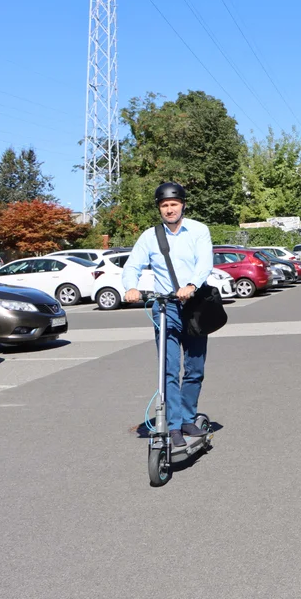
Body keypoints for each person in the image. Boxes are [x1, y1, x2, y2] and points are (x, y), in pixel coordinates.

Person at [123, 182, 213, 448]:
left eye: (174, 204)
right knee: (169, 369)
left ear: (183, 204)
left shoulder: (198, 230)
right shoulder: (150, 237)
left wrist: (192, 285)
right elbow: (132, 265)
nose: (170, 209)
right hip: (166, 308)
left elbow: (204, 262)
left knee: (195, 368)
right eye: (164, 205)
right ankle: (173, 425)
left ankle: (187, 417)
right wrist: (130, 286)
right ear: (159, 208)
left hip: (195, 306)